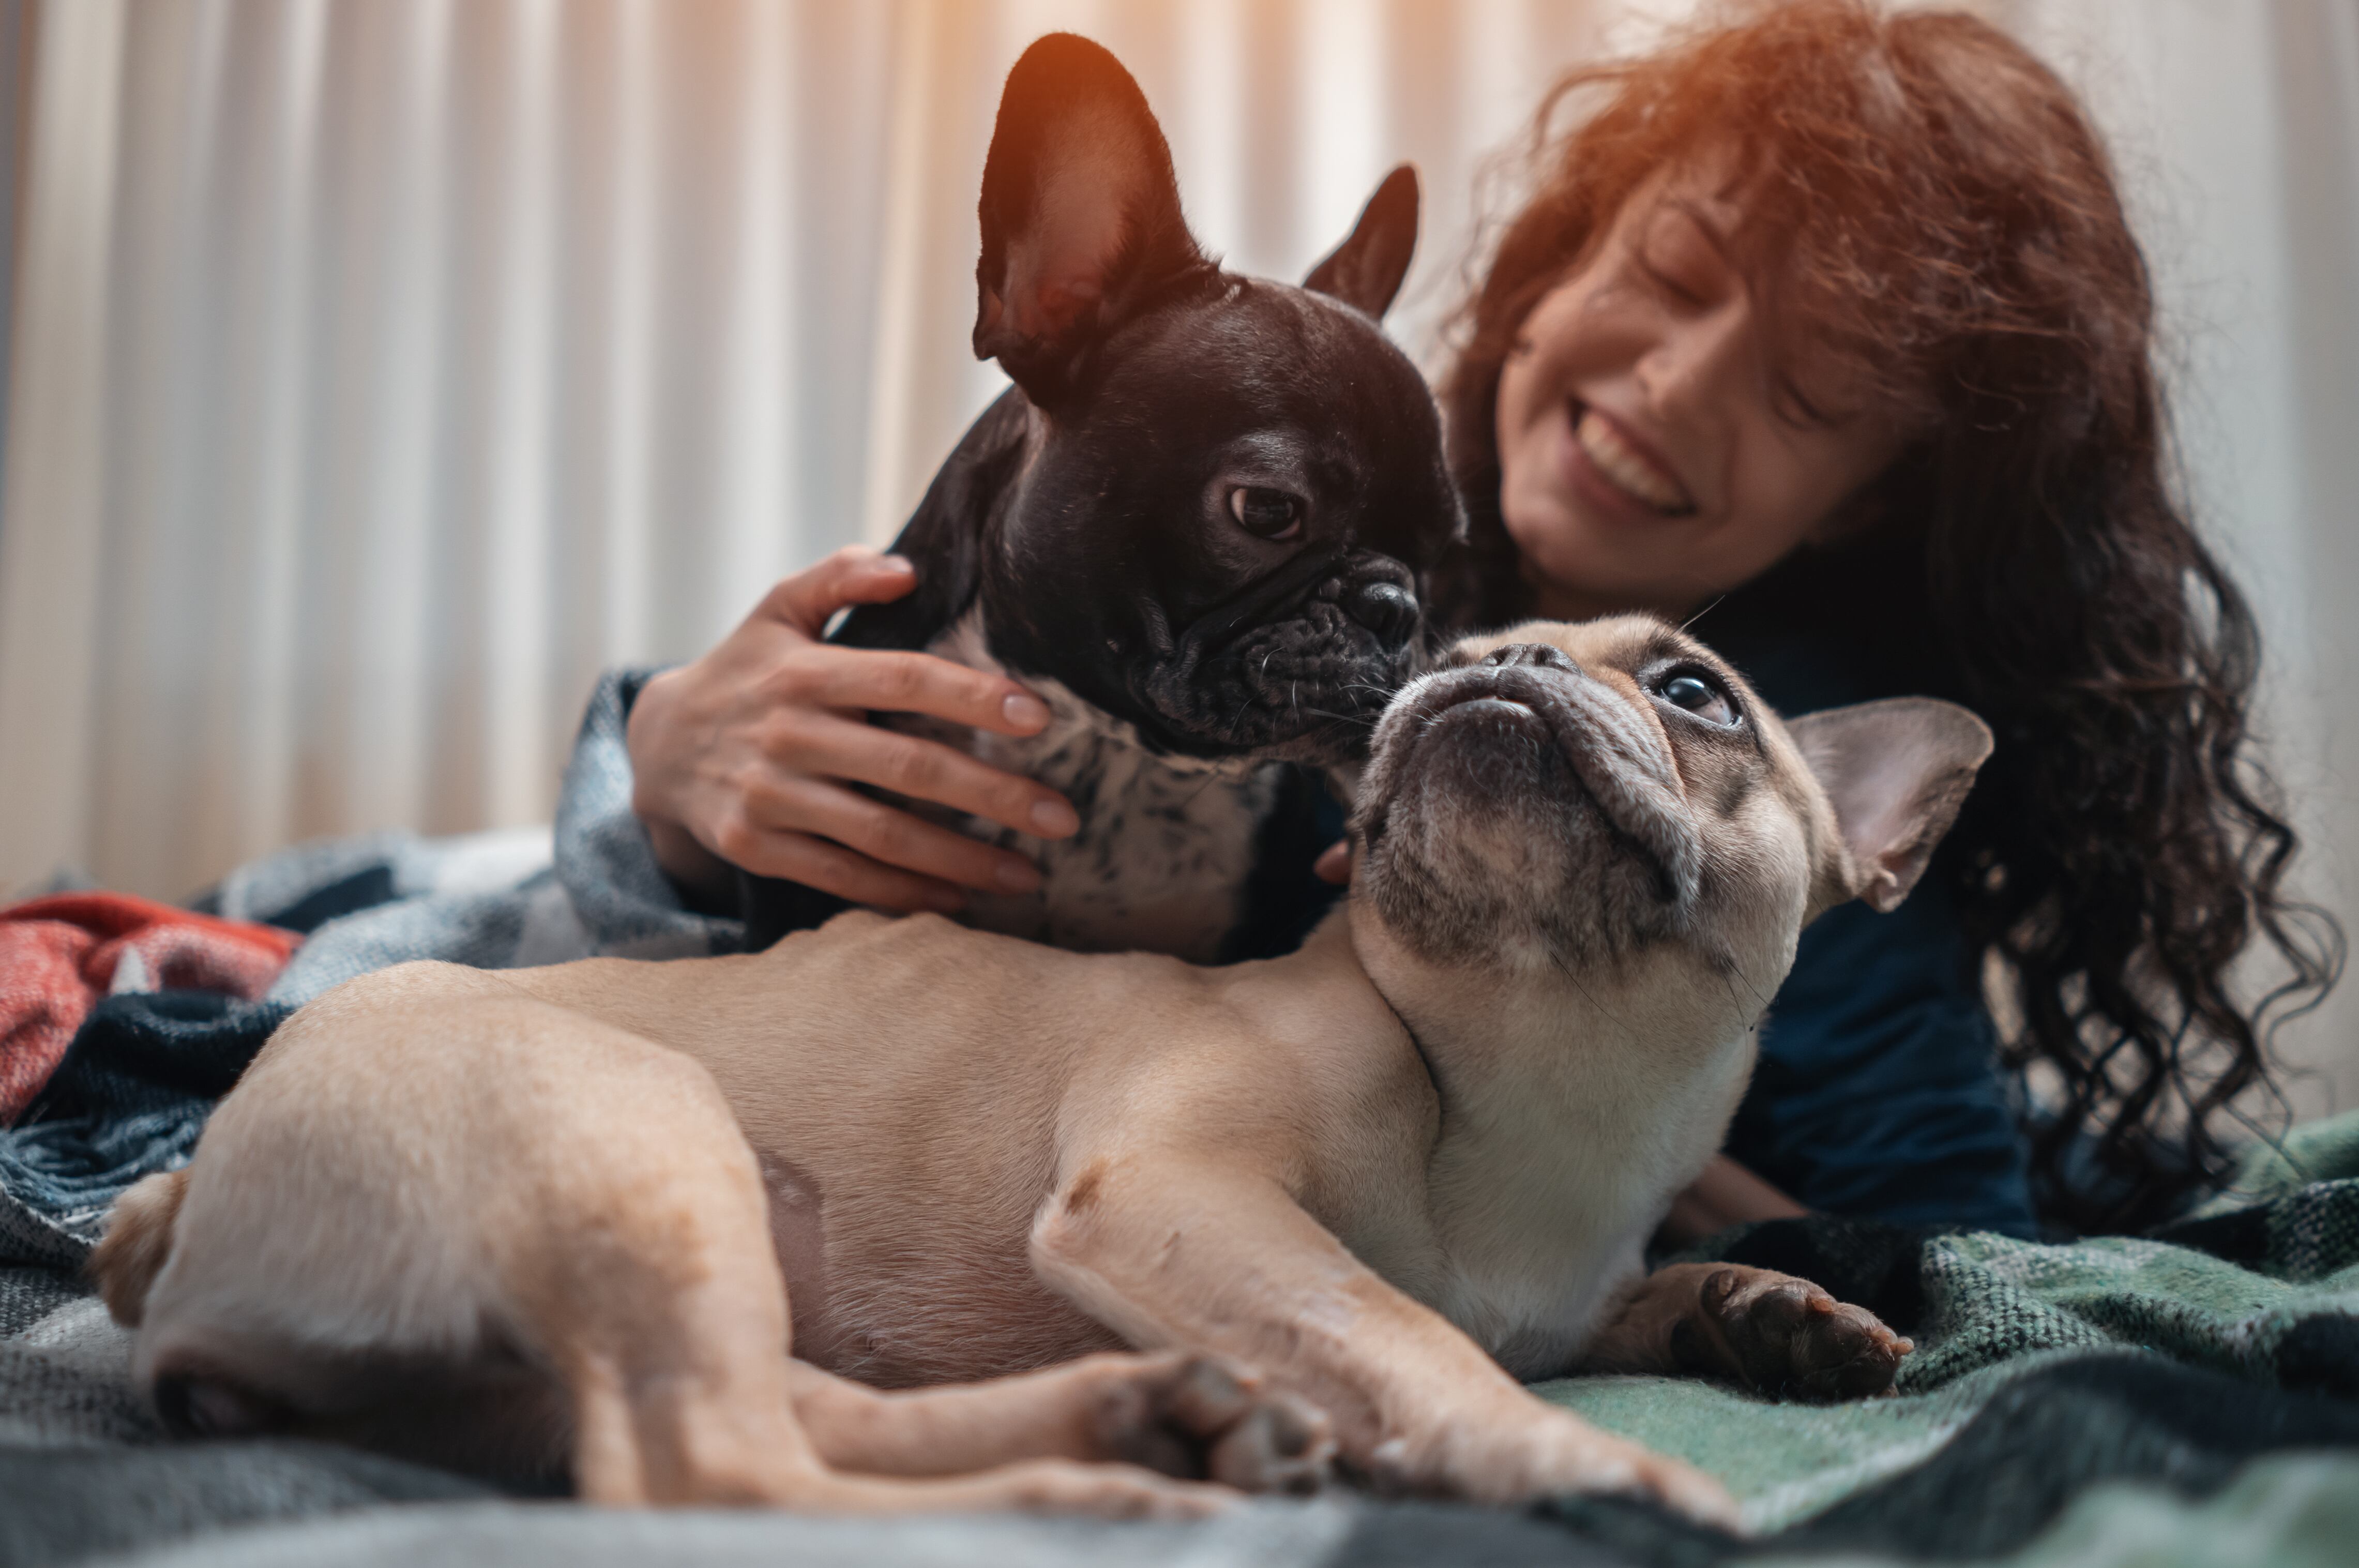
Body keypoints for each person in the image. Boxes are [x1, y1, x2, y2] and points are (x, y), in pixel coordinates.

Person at [622, 0, 2338, 1238]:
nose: (1672, 386)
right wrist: (661, 770)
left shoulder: (1769, 762)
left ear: (1876, 496)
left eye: (1809, 393)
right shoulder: (1355, 470)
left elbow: (1937, 1231)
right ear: (1565, 252)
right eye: (1667, 280)